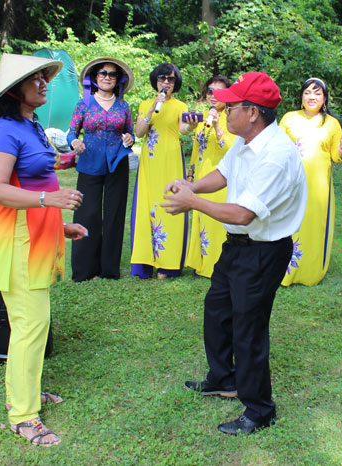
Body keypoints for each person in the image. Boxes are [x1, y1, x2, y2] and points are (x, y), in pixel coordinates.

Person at [162, 72, 307, 435]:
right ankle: (223, 378)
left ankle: (259, 410)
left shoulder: (277, 155)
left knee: (249, 328)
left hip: (263, 250)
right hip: (237, 246)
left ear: (253, 112)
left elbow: (244, 213)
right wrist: (191, 185)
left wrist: (191, 202)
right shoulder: (246, 141)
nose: (223, 109)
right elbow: (223, 175)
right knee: (218, 310)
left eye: (231, 105)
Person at [0, 53, 87, 446]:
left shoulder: (32, 125)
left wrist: (61, 227)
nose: (45, 84)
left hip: (39, 236)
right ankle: (23, 414)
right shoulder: (5, 130)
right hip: (18, 239)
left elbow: (36, 179)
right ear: (15, 90)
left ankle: (27, 390)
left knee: (35, 324)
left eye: (46, 78)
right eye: (37, 80)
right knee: (29, 326)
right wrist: (50, 202)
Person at [67, 57, 135, 282]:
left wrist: (129, 138)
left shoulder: (124, 106)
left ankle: (109, 269)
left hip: (117, 162)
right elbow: (71, 133)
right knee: (88, 213)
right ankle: (85, 270)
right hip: (89, 163)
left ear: (118, 80)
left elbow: (130, 134)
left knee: (114, 214)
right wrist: (74, 142)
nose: (107, 77)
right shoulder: (83, 104)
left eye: (112, 74)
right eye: (103, 73)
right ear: (95, 78)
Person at [279, 78, 342, 286]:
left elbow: (338, 157)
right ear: (301, 97)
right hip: (291, 184)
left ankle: (310, 272)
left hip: (319, 187)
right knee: (290, 225)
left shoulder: (332, 124)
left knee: (313, 227)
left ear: (325, 99)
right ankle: (283, 270)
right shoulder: (289, 118)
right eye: (308, 92)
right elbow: (278, 148)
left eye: (317, 93)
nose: (312, 97)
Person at [130, 63, 189, 279]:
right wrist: (153, 106)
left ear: (176, 83)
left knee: (168, 205)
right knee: (146, 205)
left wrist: (191, 125)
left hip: (170, 158)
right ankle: (144, 263)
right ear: (156, 80)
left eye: (171, 79)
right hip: (149, 161)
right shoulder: (146, 103)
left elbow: (184, 129)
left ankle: (168, 265)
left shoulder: (180, 105)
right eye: (162, 78)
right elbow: (139, 132)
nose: (166, 82)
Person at [184, 75, 236, 278]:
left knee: (216, 220)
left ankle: (218, 265)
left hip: (221, 176)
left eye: (219, 92)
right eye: (210, 91)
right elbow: (197, 148)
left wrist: (217, 127)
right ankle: (202, 264)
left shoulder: (233, 117)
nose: (213, 96)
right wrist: (190, 175)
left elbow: (232, 150)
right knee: (201, 217)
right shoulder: (202, 117)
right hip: (202, 174)